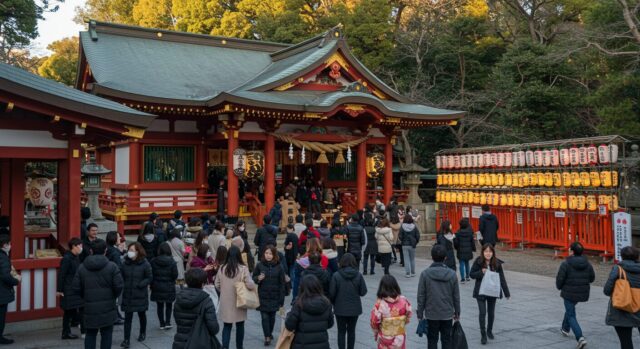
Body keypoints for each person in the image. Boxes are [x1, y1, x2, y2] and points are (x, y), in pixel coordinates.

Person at [72, 239, 123, 349]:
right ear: (105, 251)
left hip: (89, 307)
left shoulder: (82, 267)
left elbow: (76, 287)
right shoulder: (112, 266)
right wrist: (112, 296)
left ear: (91, 251)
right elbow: (119, 286)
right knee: (107, 334)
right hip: (108, 306)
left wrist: (85, 295)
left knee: (90, 334)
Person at [417, 244, 460, 349]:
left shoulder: (425, 274)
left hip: (431, 314)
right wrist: (457, 312)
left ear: (432, 257)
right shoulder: (452, 274)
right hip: (447, 313)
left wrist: (420, 313)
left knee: (432, 340)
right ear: (445, 257)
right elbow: (456, 296)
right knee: (446, 340)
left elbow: (421, 295)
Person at [215, 245, 256, 349]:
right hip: (240, 301)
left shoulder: (222, 268)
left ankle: (225, 347)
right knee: (240, 325)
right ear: (239, 256)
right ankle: (239, 346)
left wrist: (224, 291)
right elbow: (250, 285)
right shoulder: (243, 269)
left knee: (227, 326)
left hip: (226, 302)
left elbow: (217, 285)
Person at [470, 243, 511, 345]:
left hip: (492, 291)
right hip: (481, 291)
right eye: (486, 251)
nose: (488, 254)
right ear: (483, 252)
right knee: (482, 313)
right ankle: (483, 334)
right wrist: (481, 272)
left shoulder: (496, 263)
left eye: (490, 251)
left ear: (493, 252)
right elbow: (471, 274)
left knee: (491, 313)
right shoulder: (478, 261)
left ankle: (489, 330)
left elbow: (502, 278)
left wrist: (506, 293)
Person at [556, 242, 594, 349]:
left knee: (571, 314)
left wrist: (559, 287)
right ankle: (565, 328)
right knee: (570, 309)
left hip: (568, 292)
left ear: (572, 251)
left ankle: (580, 337)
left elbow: (560, 278)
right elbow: (592, 278)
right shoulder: (587, 263)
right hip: (582, 292)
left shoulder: (566, 263)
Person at [172, 268, 220, 349]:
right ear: (202, 284)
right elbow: (214, 328)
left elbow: (178, 320)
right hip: (200, 343)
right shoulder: (206, 301)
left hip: (180, 342)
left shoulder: (179, 299)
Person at [604, 246, 640, 349]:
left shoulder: (617, 269)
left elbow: (607, 290)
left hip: (621, 311)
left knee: (626, 342)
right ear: (637, 256)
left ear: (622, 256)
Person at [285, 275, 335, 349]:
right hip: (322, 345)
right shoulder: (326, 303)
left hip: (301, 344)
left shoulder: (299, 304)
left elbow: (289, 326)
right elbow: (330, 324)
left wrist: (289, 315)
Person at [330, 253, 367, 349]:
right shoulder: (358, 275)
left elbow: (332, 294)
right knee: (352, 331)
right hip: (355, 309)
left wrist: (334, 303)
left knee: (341, 332)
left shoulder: (336, 275)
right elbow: (363, 292)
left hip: (340, 308)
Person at [253, 245, 286, 346]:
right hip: (263, 296)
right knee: (264, 317)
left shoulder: (279, 266)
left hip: (275, 296)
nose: (268, 255)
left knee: (272, 318)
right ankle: (267, 336)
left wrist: (282, 299)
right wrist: (258, 278)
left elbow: (282, 284)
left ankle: (269, 333)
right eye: (266, 253)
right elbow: (253, 278)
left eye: (270, 253)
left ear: (274, 255)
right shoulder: (259, 265)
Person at [120, 242, 152, 348]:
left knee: (141, 315)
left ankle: (142, 332)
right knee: (128, 318)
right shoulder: (125, 263)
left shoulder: (145, 263)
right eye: (129, 250)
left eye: (132, 250)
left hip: (140, 294)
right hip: (128, 294)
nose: (130, 252)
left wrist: (141, 284)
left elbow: (149, 277)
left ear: (138, 251)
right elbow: (121, 276)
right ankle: (126, 339)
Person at [370, 275, 412, 349]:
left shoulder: (379, 304)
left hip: (385, 337)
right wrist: (401, 323)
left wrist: (376, 332)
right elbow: (408, 315)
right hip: (400, 337)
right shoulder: (404, 300)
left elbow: (374, 322)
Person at [58, 238, 84, 340]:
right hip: (68, 287)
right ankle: (66, 332)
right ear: (74, 246)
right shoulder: (67, 258)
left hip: (76, 286)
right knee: (68, 311)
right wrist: (59, 290)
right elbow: (62, 275)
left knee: (73, 310)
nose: (81, 248)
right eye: (80, 246)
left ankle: (71, 330)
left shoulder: (76, 257)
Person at [150, 243, 179, 330]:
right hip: (169, 285)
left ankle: (161, 323)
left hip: (157, 286)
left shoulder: (153, 261)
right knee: (169, 305)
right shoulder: (172, 261)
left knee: (160, 305)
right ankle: (168, 322)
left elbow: (151, 274)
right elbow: (175, 275)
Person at [105, 231, 125, 324]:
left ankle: (117, 314)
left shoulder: (108, 249)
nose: (119, 239)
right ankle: (115, 317)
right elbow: (118, 267)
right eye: (118, 237)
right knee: (115, 299)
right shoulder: (114, 252)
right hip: (114, 278)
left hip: (108, 277)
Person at [453, 218, 475, 283]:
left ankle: (462, 278)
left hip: (461, 250)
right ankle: (468, 276)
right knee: (467, 263)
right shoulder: (470, 233)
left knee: (461, 264)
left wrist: (456, 247)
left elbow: (456, 244)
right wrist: (473, 249)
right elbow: (472, 242)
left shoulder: (458, 233)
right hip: (468, 250)